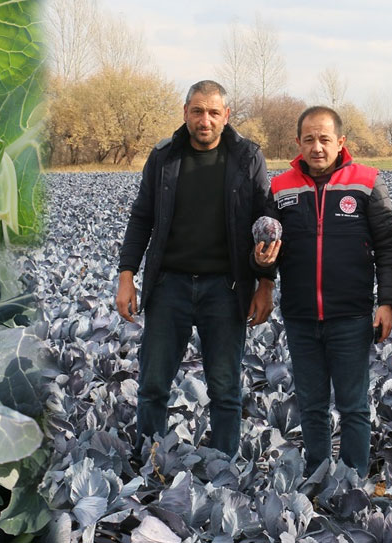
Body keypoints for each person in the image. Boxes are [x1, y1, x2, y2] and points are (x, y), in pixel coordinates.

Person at [115, 80, 274, 456]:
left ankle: (224, 467)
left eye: (214, 112)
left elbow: (266, 219)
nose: (206, 120)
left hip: (227, 288)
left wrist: (266, 283)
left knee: (225, 388)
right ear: (185, 112)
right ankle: (150, 461)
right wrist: (126, 276)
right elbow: (142, 218)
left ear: (226, 116)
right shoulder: (164, 157)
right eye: (198, 111)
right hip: (170, 285)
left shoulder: (248, 158)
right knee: (153, 383)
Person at [255, 106, 392, 478]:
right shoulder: (280, 187)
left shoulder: (367, 182)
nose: (317, 147)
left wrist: (387, 303)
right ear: (298, 142)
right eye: (309, 139)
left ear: (340, 142)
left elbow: (388, 246)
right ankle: (317, 474)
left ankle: (353, 478)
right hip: (301, 315)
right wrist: (261, 262)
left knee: (353, 405)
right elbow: (267, 249)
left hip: (351, 315)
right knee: (311, 404)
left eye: (324, 139)